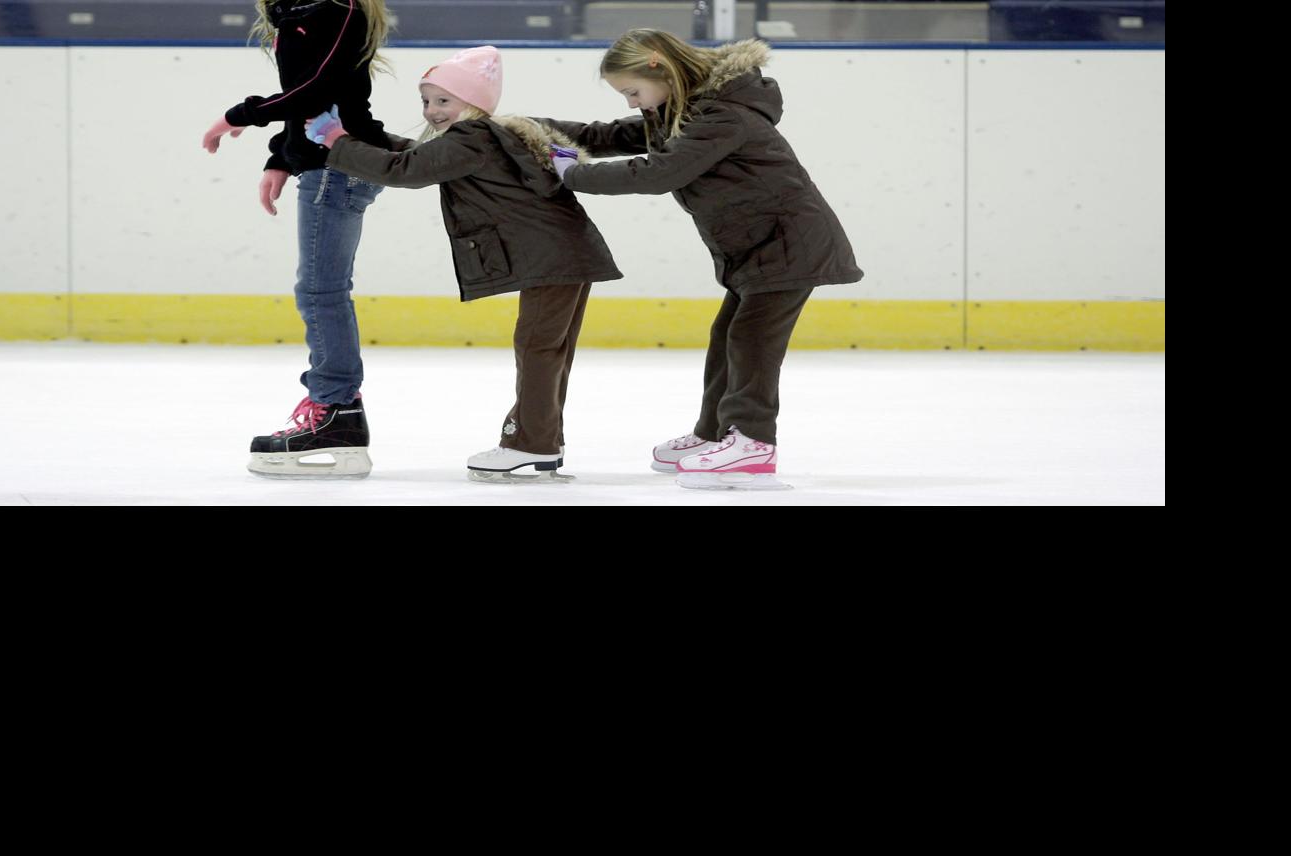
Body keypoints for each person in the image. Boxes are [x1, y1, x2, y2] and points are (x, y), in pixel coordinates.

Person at [548, 29, 862, 490]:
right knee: (728, 335)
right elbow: (612, 135)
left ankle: (752, 443)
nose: (633, 104)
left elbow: (661, 172)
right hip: (755, 247)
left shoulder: (720, 115)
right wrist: (534, 128)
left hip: (788, 243)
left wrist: (572, 176)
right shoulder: (679, 111)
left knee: (752, 339)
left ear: (659, 66)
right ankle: (714, 434)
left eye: (633, 92)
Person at [307, 46, 622, 482]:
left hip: (553, 258)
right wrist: (365, 140)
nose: (432, 111)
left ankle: (530, 443)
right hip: (567, 253)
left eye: (443, 101)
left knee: (537, 349)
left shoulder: (469, 139)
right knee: (549, 350)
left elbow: (404, 171)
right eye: (427, 100)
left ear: (473, 103)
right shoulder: (489, 135)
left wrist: (337, 142)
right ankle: (544, 439)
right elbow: (417, 158)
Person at [203, 0, 396, 480]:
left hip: (341, 165)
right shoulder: (296, 9)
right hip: (326, 164)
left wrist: (241, 115)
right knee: (321, 291)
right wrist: (281, 159)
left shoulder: (336, 8)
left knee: (321, 293)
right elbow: (307, 95)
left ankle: (335, 412)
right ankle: (337, 410)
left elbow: (320, 89)